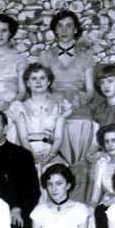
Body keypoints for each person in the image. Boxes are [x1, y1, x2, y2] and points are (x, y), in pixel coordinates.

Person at [36, 9, 97, 167]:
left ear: (75, 30)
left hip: (78, 102)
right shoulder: (46, 56)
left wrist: (78, 102)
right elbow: (40, 87)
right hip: (53, 101)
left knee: (84, 122)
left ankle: (79, 166)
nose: (64, 30)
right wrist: (54, 102)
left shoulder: (86, 56)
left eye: (69, 26)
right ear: (55, 30)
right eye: (60, 26)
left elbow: (90, 90)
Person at [6, 63, 68, 173]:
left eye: (42, 78)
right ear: (28, 83)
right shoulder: (19, 107)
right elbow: (23, 138)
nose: (38, 82)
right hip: (27, 151)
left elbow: (58, 137)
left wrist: (51, 155)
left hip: (50, 152)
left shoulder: (59, 106)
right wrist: (32, 156)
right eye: (34, 78)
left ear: (48, 82)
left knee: (57, 172)